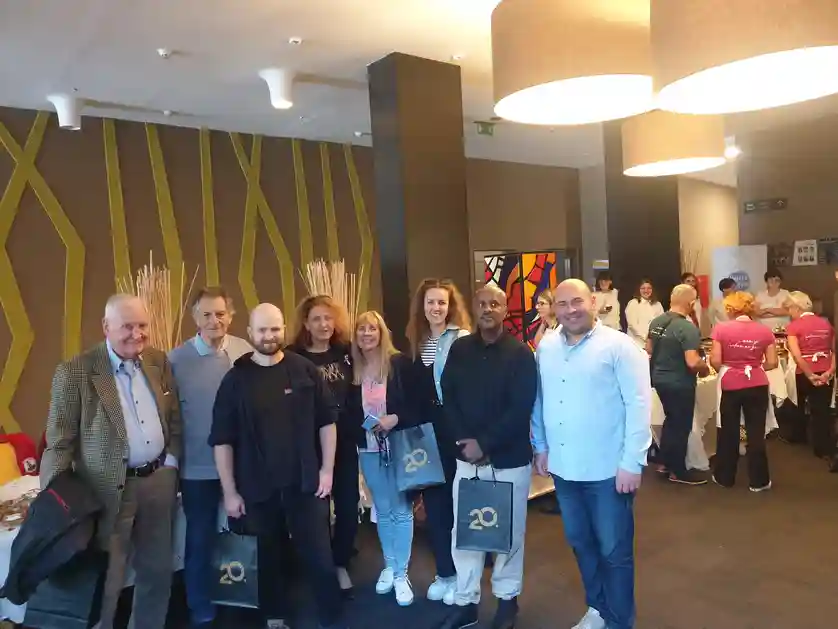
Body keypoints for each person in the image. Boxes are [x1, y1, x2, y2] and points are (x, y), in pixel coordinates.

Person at [41, 294, 182, 629]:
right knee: (107, 580)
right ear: (106, 327)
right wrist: (55, 502)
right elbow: (59, 444)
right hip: (106, 492)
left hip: (159, 482)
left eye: (142, 325)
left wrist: (172, 461)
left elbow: (174, 416)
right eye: (127, 327)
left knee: (157, 571)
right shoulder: (75, 372)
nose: (137, 334)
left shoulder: (157, 361)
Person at [209, 303, 347, 629]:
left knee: (319, 556)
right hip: (256, 487)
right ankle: (275, 617)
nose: (269, 336)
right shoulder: (236, 379)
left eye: (275, 329)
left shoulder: (304, 370)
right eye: (262, 330)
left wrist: (327, 471)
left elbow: (327, 423)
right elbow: (222, 440)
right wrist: (230, 492)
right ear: (249, 333)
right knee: (266, 557)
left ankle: (332, 617)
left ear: (284, 329)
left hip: (306, 483)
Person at [532, 279, 652, 629]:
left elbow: (639, 404)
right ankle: (598, 608)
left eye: (577, 302)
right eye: (562, 303)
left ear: (594, 302)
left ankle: (619, 621)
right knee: (581, 544)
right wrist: (541, 445)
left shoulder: (620, 346)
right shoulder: (547, 347)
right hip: (564, 469)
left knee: (614, 551)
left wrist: (633, 461)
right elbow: (540, 400)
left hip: (608, 471)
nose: (570, 310)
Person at [437, 285, 537, 629]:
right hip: (467, 459)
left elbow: (520, 408)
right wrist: (466, 443)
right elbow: (448, 396)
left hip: (509, 460)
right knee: (466, 534)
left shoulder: (521, 354)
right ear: (474, 309)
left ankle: (507, 600)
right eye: (481, 303)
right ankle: (466, 602)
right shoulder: (460, 349)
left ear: (505, 310)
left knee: (509, 535)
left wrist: (485, 444)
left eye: (495, 303)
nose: (487, 309)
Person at [169, 287, 251, 628]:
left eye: (220, 313)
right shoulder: (176, 361)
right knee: (200, 538)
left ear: (230, 316)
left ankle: (243, 598)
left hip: (243, 466)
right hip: (197, 467)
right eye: (206, 314)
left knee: (243, 535)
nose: (214, 320)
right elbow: (169, 415)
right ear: (195, 317)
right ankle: (201, 606)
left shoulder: (245, 352)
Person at [404, 279, 471, 604]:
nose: (436, 308)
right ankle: (445, 573)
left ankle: (463, 576)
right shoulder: (416, 342)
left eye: (441, 302)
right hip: (424, 435)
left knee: (460, 507)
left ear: (450, 305)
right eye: (430, 302)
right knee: (435, 507)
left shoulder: (462, 339)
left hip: (454, 432)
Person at [288, 295, 360, 597]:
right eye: (316, 319)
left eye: (328, 318)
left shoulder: (346, 352)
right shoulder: (292, 357)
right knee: (315, 511)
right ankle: (320, 566)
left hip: (345, 441)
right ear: (306, 323)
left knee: (347, 506)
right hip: (309, 445)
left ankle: (340, 562)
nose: (323, 324)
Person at [351, 310, 417, 606]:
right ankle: (390, 565)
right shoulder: (353, 369)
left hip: (399, 447)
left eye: (372, 328)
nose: (366, 333)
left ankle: (402, 573)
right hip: (368, 450)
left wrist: (395, 418)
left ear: (381, 332)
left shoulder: (399, 364)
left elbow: (418, 405)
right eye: (361, 329)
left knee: (401, 509)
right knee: (383, 508)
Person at [710, 292, 778, 492]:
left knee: (729, 431)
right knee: (756, 433)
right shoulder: (764, 330)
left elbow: (715, 360)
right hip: (757, 383)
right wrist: (754, 367)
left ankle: (725, 477)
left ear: (730, 309)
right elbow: (773, 362)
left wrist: (732, 368)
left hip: (731, 383)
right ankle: (759, 481)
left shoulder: (721, 329)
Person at [647, 284, 710, 485]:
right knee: (681, 425)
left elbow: (648, 349)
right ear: (691, 303)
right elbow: (692, 361)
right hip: (679, 382)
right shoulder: (688, 328)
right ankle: (678, 471)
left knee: (671, 420)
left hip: (659, 379)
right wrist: (705, 368)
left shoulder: (656, 321)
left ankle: (664, 462)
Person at [783, 291, 836, 460]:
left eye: (789, 309)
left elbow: (797, 356)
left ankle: (799, 435)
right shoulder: (826, 324)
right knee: (822, 410)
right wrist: (830, 372)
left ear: (796, 308)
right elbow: (834, 351)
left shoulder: (793, 326)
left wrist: (809, 374)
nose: (789, 313)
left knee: (797, 402)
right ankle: (823, 447)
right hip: (825, 370)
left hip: (804, 372)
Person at [625, 279, 664, 348]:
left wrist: (655, 338)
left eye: (649, 288)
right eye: (643, 288)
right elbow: (632, 325)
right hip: (637, 344)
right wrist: (646, 338)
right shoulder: (633, 303)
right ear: (638, 290)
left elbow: (661, 323)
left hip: (654, 344)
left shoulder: (657, 304)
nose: (646, 291)